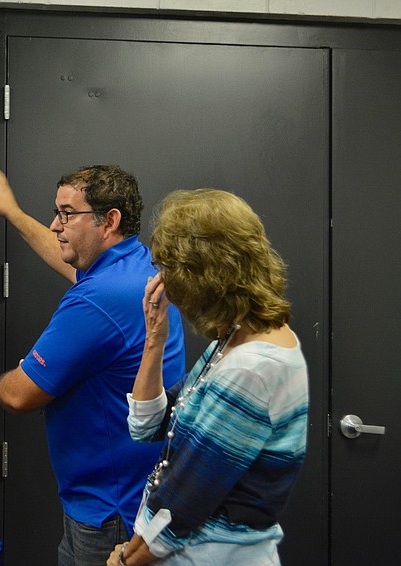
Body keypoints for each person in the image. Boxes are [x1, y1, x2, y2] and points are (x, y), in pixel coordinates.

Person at [0, 164, 185, 565]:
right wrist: (14, 214)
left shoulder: (98, 299)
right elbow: (68, 260)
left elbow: (19, 396)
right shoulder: (135, 267)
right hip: (128, 499)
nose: (56, 225)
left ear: (109, 221)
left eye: (67, 214)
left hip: (111, 515)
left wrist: (9, 376)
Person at [108, 189, 309, 566]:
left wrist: (123, 562)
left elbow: (183, 503)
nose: (160, 279)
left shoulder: (251, 368)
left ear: (202, 274)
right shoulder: (236, 338)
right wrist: (154, 339)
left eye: (167, 268)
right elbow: (148, 427)